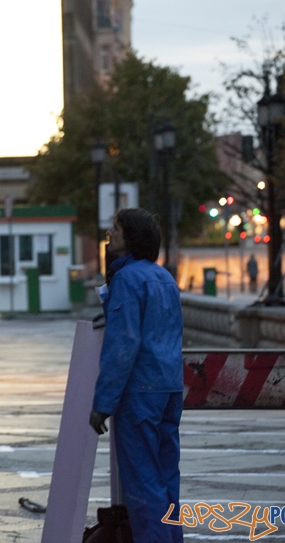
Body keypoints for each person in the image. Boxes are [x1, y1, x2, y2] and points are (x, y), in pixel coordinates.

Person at [89, 208, 184, 542]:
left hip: (140, 392)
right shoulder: (164, 277)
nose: (109, 233)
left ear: (131, 236)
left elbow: (123, 344)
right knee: (167, 478)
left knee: (143, 483)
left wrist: (103, 403)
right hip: (170, 388)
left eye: (116, 228)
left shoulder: (127, 279)